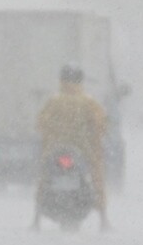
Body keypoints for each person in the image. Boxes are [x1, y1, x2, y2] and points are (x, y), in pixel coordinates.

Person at [34, 64, 110, 232]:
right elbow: (100, 126)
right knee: (97, 178)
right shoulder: (89, 103)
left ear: (61, 80)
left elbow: (41, 124)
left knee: (44, 178)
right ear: (80, 81)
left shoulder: (54, 102)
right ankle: (103, 219)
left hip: (54, 149)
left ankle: (36, 220)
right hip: (84, 151)